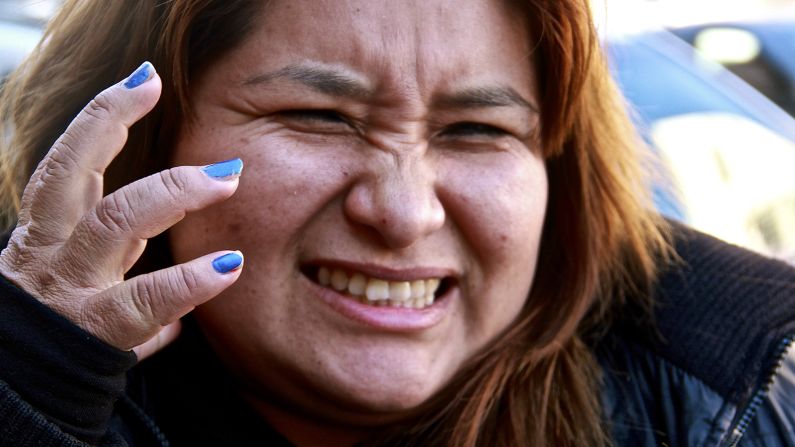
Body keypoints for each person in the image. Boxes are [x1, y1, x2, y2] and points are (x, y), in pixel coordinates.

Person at [0, 0, 793, 446]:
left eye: (476, 130)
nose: (404, 212)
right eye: (318, 116)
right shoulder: (24, 373)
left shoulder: (744, 404)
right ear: (137, 146)